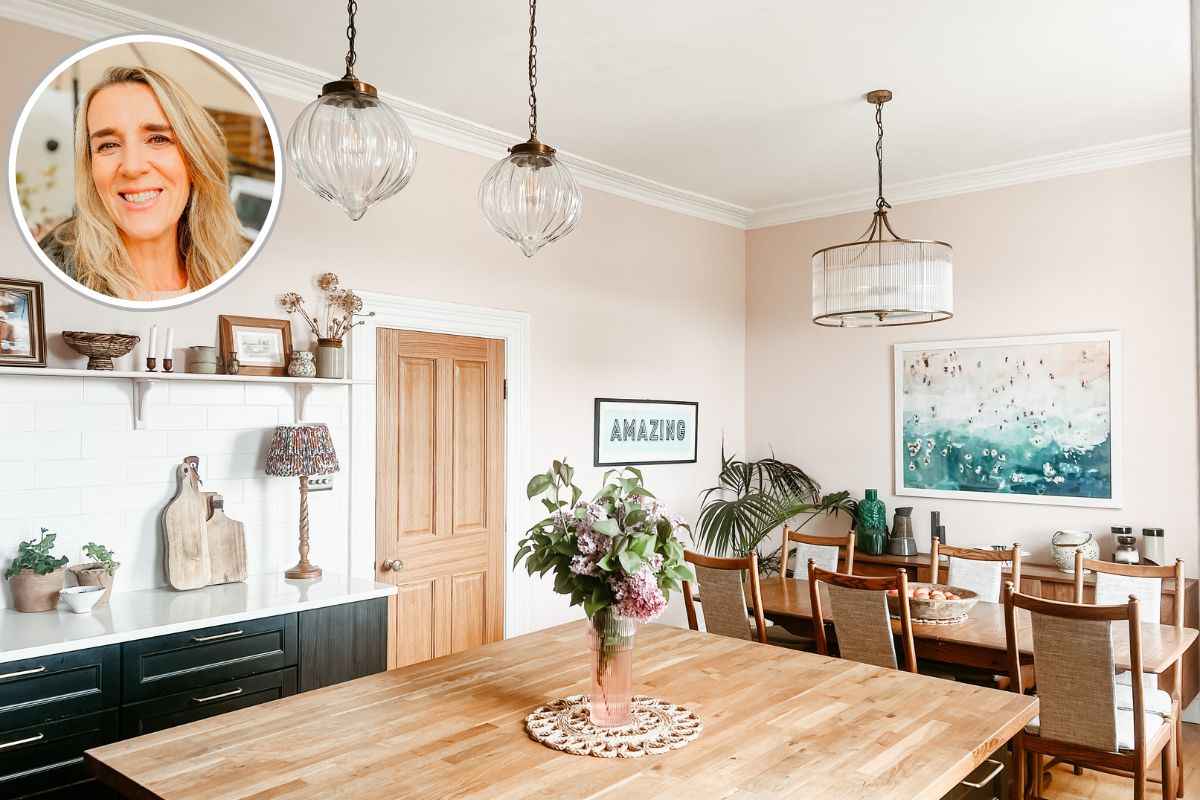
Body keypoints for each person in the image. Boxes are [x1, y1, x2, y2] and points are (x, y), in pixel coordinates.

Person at [39, 66, 248, 300]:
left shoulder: (239, 269)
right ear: (90, 168)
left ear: (195, 158)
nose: (132, 167)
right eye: (108, 145)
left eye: (158, 139)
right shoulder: (48, 281)